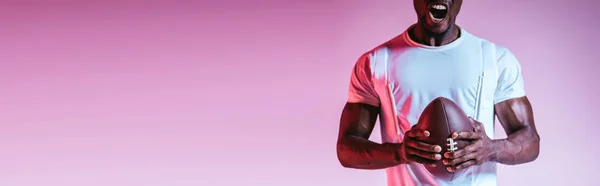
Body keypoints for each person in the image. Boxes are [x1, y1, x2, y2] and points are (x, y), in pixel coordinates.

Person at [335, 0, 541, 185]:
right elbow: (346, 149)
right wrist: (400, 152)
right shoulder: (376, 62)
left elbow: (530, 140)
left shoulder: (495, 59)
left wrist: (490, 149)